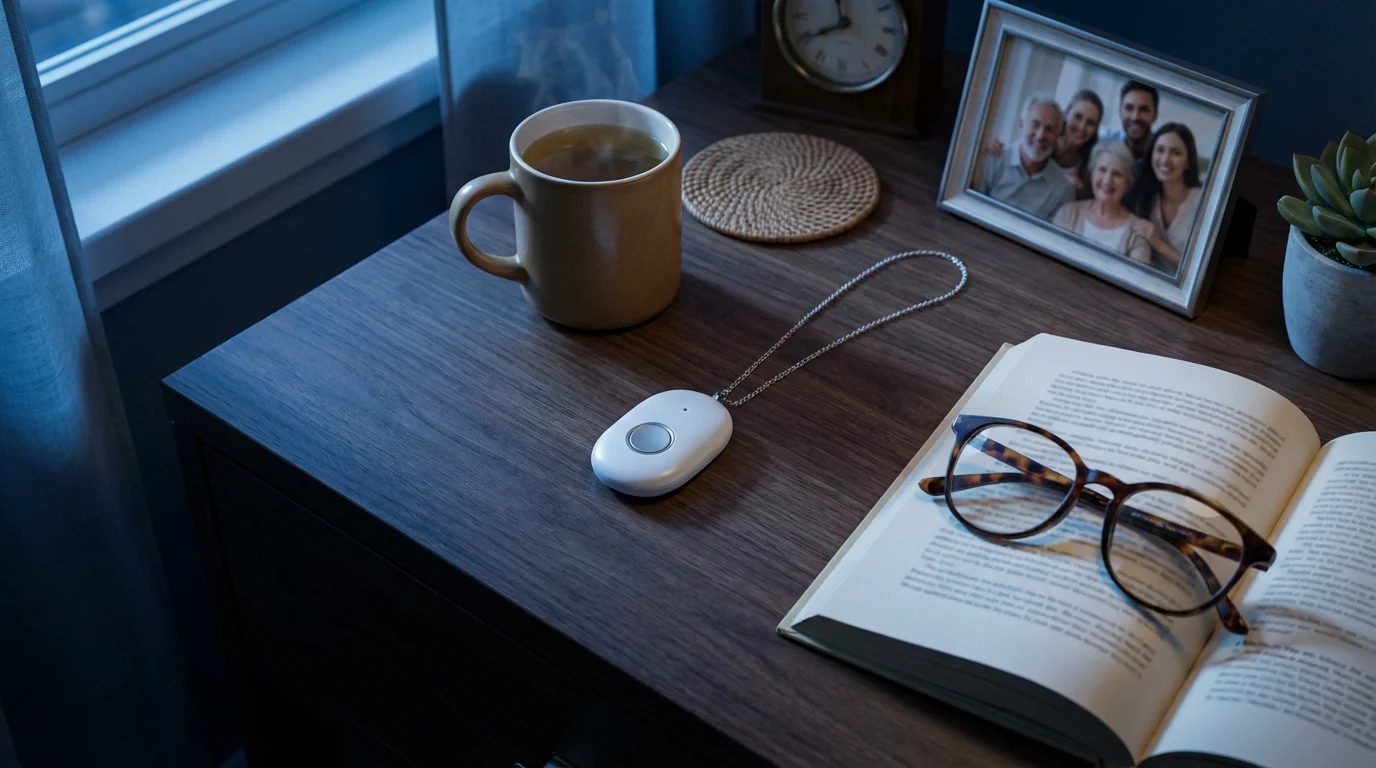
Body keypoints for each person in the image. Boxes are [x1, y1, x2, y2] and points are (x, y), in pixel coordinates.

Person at [1051, 141, 1169, 265]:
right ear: (1091, 174)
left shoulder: (1137, 233)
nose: (1107, 181)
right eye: (1102, 170)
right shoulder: (1067, 213)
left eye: (1117, 174)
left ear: (1128, 184)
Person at [987, 90, 1104, 199]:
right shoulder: (1040, 143)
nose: (1082, 127)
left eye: (1090, 123)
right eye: (1077, 117)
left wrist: (1079, 191)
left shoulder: (1091, 166)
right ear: (1066, 114)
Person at [976, 93, 1076, 219]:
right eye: (1035, 124)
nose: (1040, 135)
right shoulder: (993, 159)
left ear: (1058, 135)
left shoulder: (1063, 189)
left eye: (1049, 129)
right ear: (1021, 124)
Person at [1125, 123, 1204, 273]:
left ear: (1188, 162)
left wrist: (1160, 245)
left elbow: (1201, 272)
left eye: (1176, 153)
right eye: (1160, 150)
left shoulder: (1203, 203)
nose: (1165, 159)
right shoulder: (1146, 199)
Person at [1100, 81, 1158, 164]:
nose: (1135, 117)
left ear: (1155, 115)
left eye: (1143, 109)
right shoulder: (1105, 143)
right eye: (1129, 108)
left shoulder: (1162, 157)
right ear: (1120, 111)